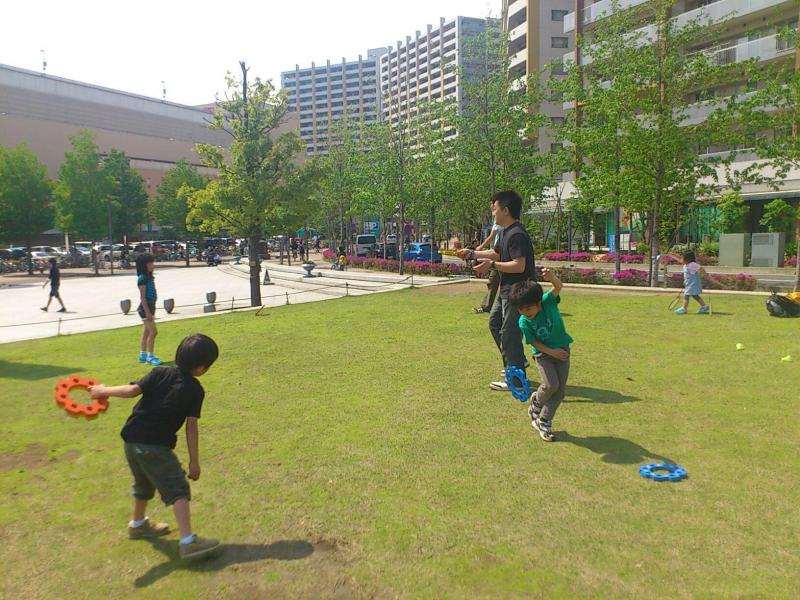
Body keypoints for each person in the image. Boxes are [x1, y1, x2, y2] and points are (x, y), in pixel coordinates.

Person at [88, 333, 221, 559]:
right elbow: (191, 427)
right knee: (177, 488)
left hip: (131, 440)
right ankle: (188, 542)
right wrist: (194, 461)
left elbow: (131, 391)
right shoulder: (195, 390)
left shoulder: (160, 372)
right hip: (155, 446)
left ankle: (138, 524)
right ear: (201, 368)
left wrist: (103, 391)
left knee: (144, 483)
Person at [457, 190, 536, 392]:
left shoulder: (517, 234)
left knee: (509, 333)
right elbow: (496, 253)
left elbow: (519, 265)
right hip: (506, 289)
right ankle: (517, 360)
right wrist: (472, 253)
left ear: (506, 210)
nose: (493, 214)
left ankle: (516, 379)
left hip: (517, 291)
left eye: (495, 209)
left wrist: (491, 265)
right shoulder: (505, 232)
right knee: (495, 324)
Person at [509, 270, 573, 442]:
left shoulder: (548, 302)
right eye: (521, 309)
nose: (525, 312)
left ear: (538, 303)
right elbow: (533, 342)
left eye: (528, 308)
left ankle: (544, 420)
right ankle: (536, 402)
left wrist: (551, 278)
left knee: (559, 391)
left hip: (563, 350)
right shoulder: (524, 322)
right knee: (551, 385)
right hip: (543, 354)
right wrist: (551, 352)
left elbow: (558, 287)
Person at [472, 220, 503, 314]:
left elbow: (492, 236)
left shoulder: (499, 219)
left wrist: (480, 247)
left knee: (494, 281)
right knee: (493, 281)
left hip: (499, 256)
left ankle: (487, 307)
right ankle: (486, 307)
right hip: (497, 254)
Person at [136, 254, 161, 365]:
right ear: (144, 265)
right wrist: (147, 312)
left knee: (146, 332)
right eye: (150, 263)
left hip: (151, 306)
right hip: (146, 308)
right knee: (153, 332)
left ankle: (143, 355)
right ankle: (150, 356)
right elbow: (143, 297)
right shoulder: (142, 278)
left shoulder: (149, 277)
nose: (152, 265)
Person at [675, 250, 709, 315]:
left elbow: (701, 268)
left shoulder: (692, 265)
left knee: (686, 295)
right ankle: (704, 306)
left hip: (693, 284)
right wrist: (685, 281)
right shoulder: (685, 265)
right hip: (689, 284)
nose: (681, 259)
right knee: (695, 295)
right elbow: (687, 275)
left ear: (687, 259)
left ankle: (684, 309)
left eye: (683, 258)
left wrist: (704, 274)